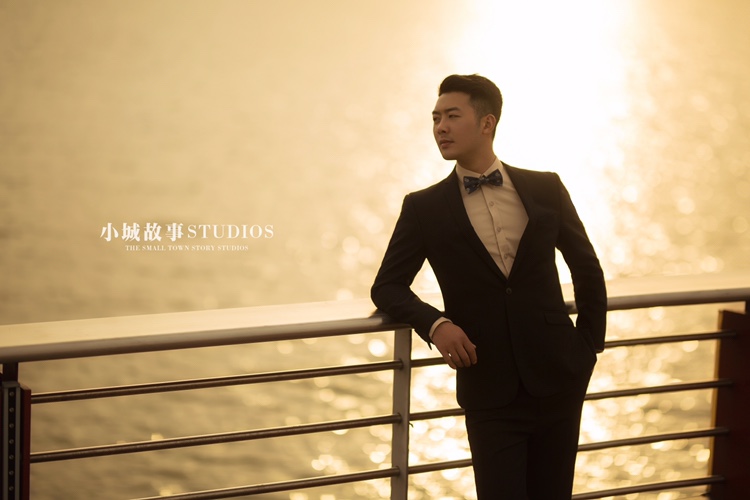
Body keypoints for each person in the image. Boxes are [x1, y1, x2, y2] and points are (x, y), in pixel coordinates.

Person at [371, 74, 607, 499]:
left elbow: (586, 267)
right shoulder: (423, 207)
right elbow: (387, 286)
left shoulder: (545, 187)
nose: (440, 127)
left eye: (452, 116)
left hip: (559, 377)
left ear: (487, 123)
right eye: (435, 118)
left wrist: (588, 347)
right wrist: (437, 325)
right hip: (488, 387)